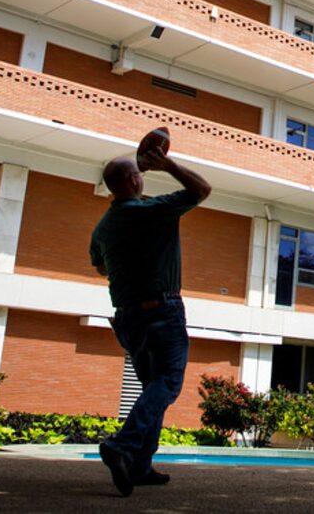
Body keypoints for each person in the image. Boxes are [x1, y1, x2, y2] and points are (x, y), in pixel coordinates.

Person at [89, 142, 211, 496]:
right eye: (139, 173)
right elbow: (201, 190)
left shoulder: (104, 227)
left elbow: (100, 266)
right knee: (167, 384)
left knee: (151, 388)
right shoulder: (154, 211)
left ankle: (140, 465)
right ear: (133, 180)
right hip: (162, 311)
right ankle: (122, 445)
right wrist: (167, 164)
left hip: (128, 319)